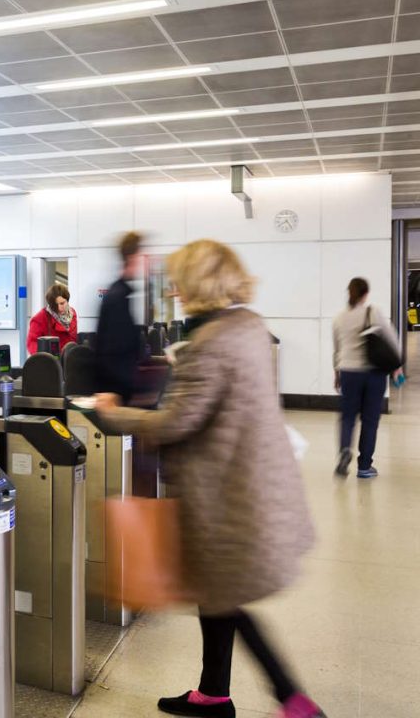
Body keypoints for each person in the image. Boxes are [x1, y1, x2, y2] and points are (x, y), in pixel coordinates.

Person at [94, 240, 322, 718]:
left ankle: (293, 700)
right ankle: (213, 693)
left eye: (178, 279)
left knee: (225, 598)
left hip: (222, 496)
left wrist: (113, 415)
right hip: (249, 484)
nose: (173, 289)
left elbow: (177, 422)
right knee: (215, 594)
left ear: (198, 284)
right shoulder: (248, 327)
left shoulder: (211, 341)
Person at [332, 277, 403, 478]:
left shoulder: (339, 317)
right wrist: (396, 367)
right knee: (370, 420)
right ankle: (364, 466)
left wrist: (337, 373)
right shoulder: (373, 312)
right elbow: (391, 340)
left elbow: (337, 349)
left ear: (349, 293)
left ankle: (345, 449)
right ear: (366, 294)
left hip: (348, 372)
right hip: (374, 374)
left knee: (347, 417)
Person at [96, 232, 144, 403]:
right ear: (132, 258)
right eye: (141, 256)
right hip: (116, 394)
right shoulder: (118, 297)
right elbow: (114, 352)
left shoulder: (121, 293)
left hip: (119, 390)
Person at [27, 283, 78, 355]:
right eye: (55, 305)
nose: (59, 307)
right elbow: (32, 343)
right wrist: (45, 358)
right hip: (52, 362)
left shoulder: (72, 313)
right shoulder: (40, 318)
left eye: (62, 303)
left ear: (67, 300)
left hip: (71, 361)